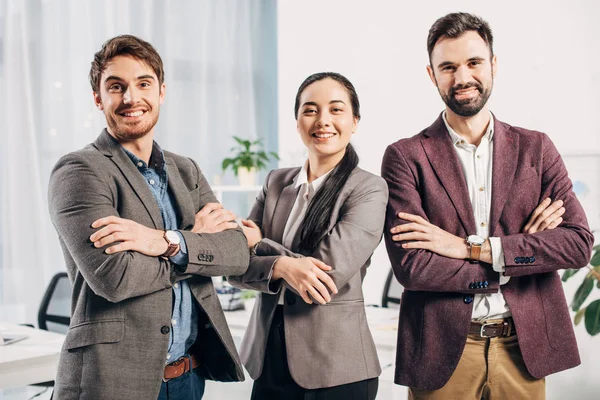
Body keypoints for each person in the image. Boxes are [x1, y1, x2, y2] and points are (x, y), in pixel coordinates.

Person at [381, 12, 594, 400]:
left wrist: (467, 247)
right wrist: (515, 258)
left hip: (522, 350)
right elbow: (413, 267)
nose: (462, 78)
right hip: (444, 351)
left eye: (474, 62)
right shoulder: (405, 157)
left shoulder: (537, 148)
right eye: (448, 67)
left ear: (493, 65)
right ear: (432, 75)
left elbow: (578, 244)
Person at [48, 35, 249, 400]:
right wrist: (192, 243)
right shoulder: (80, 171)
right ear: (98, 98)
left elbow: (236, 252)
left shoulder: (185, 170)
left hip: (188, 376)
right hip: (111, 381)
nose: (130, 97)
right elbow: (116, 278)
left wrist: (163, 241)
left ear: (161, 92)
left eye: (143, 84)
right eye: (116, 87)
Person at [228, 72, 386, 400]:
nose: (322, 120)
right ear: (297, 121)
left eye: (336, 109)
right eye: (310, 110)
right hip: (269, 360)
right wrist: (284, 267)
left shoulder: (368, 189)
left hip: (337, 368)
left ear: (355, 121)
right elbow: (233, 265)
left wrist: (259, 245)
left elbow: (323, 275)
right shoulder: (275, 183)